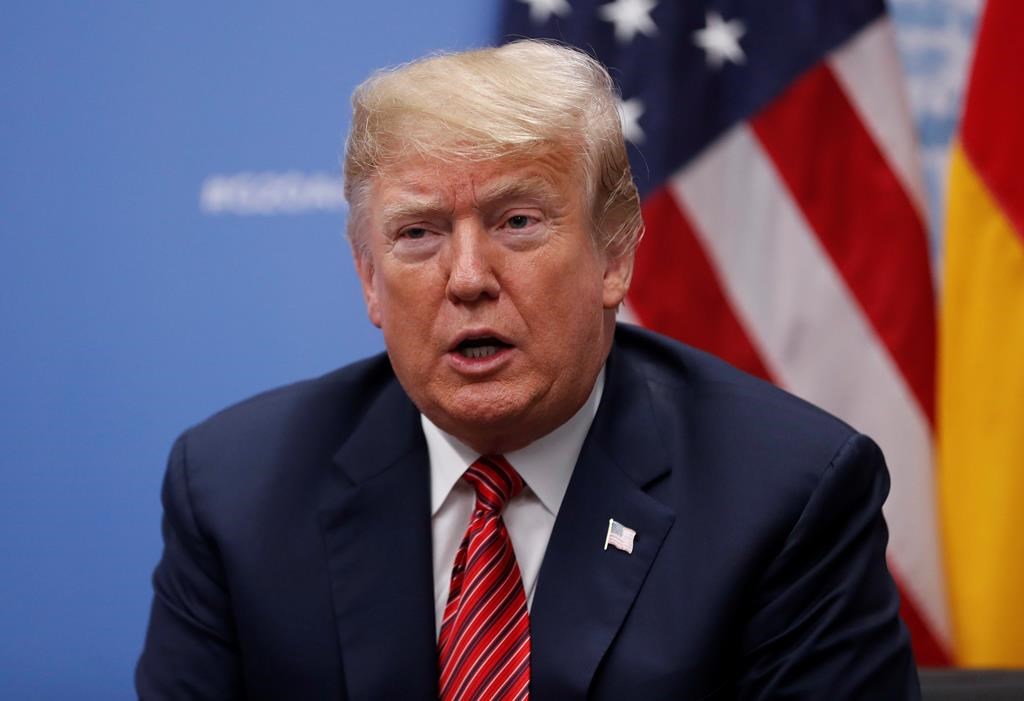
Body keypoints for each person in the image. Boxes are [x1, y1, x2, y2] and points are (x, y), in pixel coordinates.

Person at [136, 40, 920, 699]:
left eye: (516, 222)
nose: (467, 276)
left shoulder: (785, 495)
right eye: (418, 233)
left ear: (614, 255)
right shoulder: (236, 492)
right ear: (369, 279)